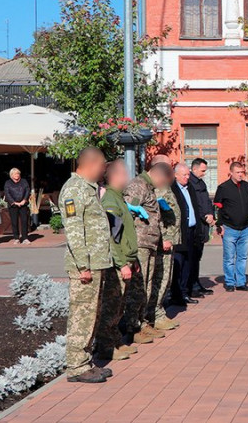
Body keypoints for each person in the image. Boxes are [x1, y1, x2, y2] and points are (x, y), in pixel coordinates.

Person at [59, 147, 112, 383]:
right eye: (102, 166)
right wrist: (83, 266)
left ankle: (85, 361)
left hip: (95, 263)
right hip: (85, 267)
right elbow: (74, 231)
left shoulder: (87, 190)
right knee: (82, 315)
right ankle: (77, 366)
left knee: (92, 314)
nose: (103, 171)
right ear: (91, 164)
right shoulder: (74, 190)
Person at [123, 160, 174, 344]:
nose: (163, 186)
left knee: (147, 285)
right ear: (158, 175)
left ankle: (143, 323)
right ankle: (133, 327)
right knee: (139, 285)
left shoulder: (149, 187)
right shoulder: (138, 185)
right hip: (140, 243)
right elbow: (127, 213)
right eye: (164, 182)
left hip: (150, 244)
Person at [97, 159, 140, 361]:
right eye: (124, 173)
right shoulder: (111, 201)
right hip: (117, 264)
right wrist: (122, 263)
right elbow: (111, 238)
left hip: (126, 260)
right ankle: (106, 347)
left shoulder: (118, 198)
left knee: (118, 307)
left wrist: (133, 259)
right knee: (111, 307)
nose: (127, 177)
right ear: (115, 176)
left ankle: (115, 341)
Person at [214, 162, 248, 292]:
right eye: (238, 172)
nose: (240, 175)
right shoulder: (223, 188)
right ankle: (229, 282)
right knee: (229, 258)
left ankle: (240, 282)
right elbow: (218, 207)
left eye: (242, 172)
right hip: (229, 228)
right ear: (231, 173)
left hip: (245, 228)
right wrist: (219, 225)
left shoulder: (247, 187)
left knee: (242, 257)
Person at [151, 154, 183, 333]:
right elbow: (157, 217)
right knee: (160, 279)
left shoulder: (165, 186)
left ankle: (159, 312)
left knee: (166, 279)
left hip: (170, 241)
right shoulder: (157, 189)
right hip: (164, 242)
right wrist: (165, 238)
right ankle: (155, 314)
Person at [171, 163, 206, 305]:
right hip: (180, 232)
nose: (187, 177)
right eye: (184, 175)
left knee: (189, 263)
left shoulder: (189, 187)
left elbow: (195, 208)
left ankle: (185, 291)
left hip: (192, 231)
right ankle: (176, 294)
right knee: (179, 263)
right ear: (176, 175)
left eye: (188, 174)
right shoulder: (172, 189)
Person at [189, 158, 215, 295]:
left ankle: (196, 283)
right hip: (197, 225)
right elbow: (195, 205)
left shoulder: (200, 183)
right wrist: (205, 216)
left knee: (197, 256)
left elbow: (206, 201)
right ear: (194, 169)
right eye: (202, 170)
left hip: (204, 225)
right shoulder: (190, 184)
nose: (204, 173)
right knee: (192, 257)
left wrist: (211, 214)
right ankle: (191, 285)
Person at [4, 168, 30, 244]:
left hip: (23, 204)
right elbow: (7, 193)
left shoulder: (24, 181)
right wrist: (14, 202)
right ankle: (16, 238)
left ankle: (25, 238)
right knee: (14, 222)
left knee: (24, 221)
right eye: (15, 174)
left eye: (18, 173)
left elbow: (27, 190)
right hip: (13, 205)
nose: (17, 175)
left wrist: (24, 200)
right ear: (11, 175)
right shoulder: (8, 183)